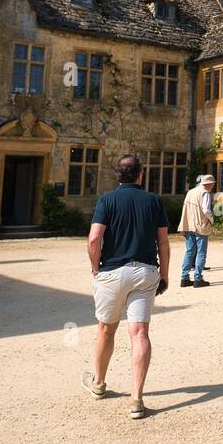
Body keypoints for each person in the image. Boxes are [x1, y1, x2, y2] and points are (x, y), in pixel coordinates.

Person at [82, 153, 170, 420]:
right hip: (144, 271)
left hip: (112, 271)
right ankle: (136, 399)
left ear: (117, 176)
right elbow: (163, 243)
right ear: (140, 175)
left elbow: (94, 239)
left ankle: (98, 384)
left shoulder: (107, 200)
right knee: (140, 333)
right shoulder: (153, 200)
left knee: (106, 329)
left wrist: (96, 268)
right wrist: (163, 275)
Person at [177, 173, 215, 288]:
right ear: (209, 184)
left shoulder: (191, 192)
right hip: (200, 225)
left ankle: (184, 278)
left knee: (189, 251)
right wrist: (212, 220)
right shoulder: (205, 193)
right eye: (212, 184)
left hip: (189, 225)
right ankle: (198, 278)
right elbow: (206, 210)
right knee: (201, 252)